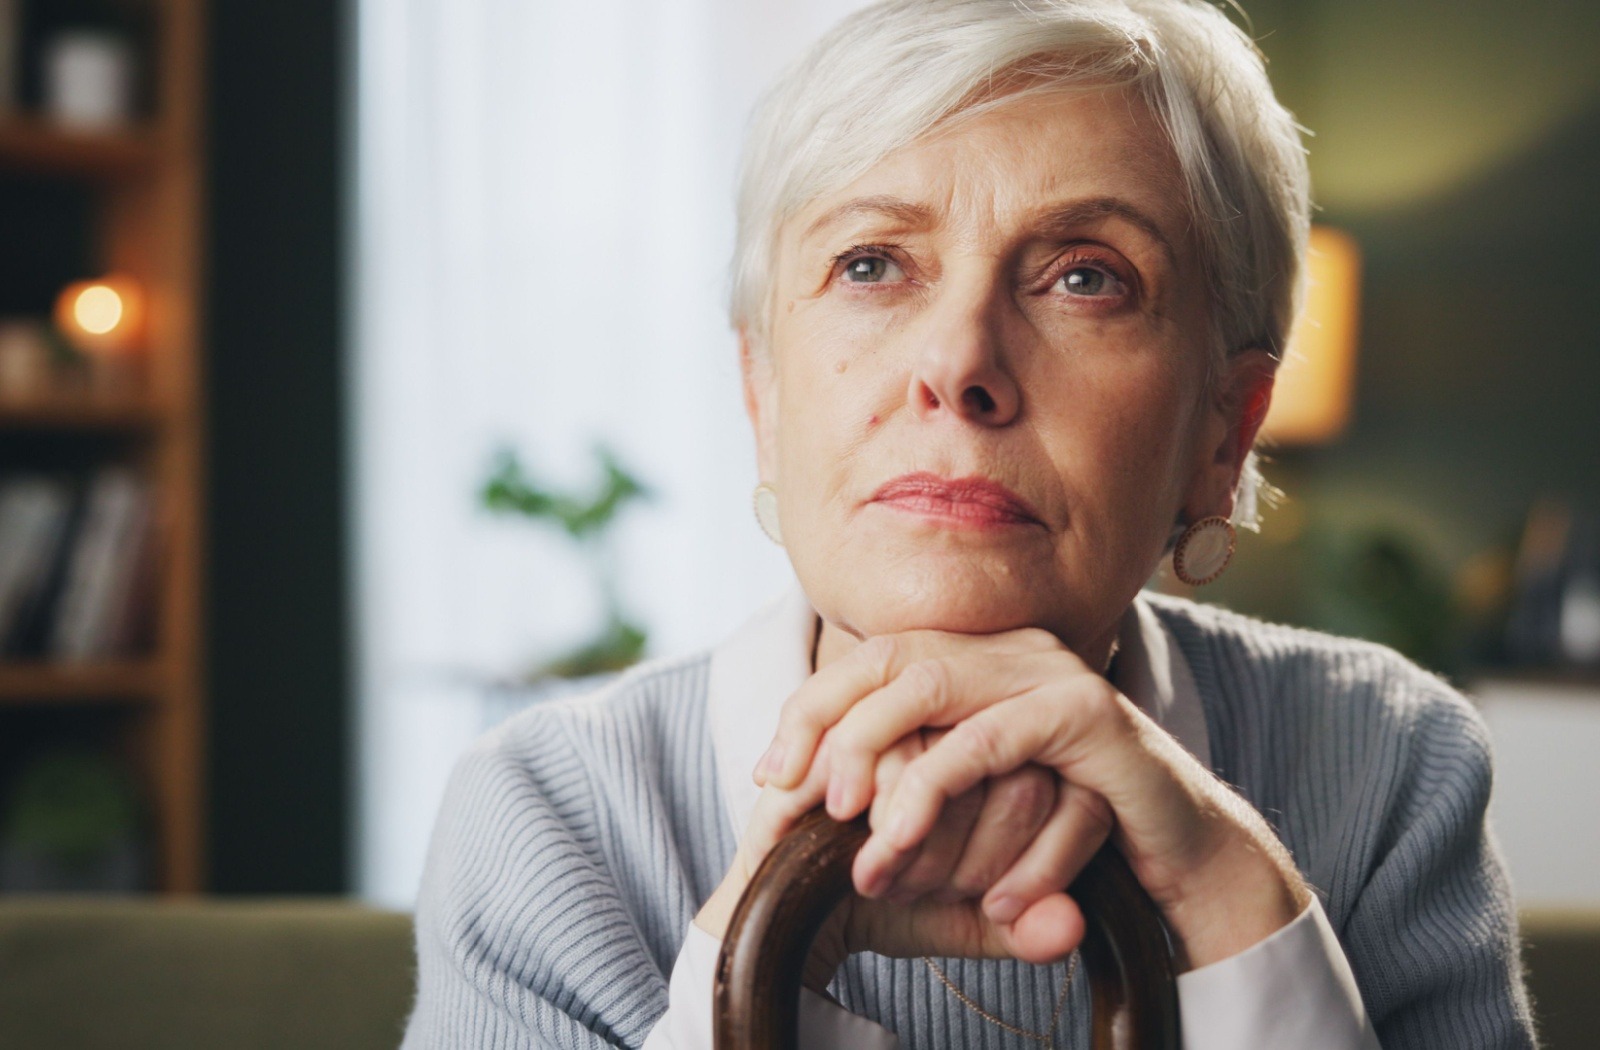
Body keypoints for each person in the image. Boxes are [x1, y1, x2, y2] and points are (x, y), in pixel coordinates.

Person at [401, 1, 1536, 1047]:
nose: (958, 365)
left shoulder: (1388, 769)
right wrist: (761, 947)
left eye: (1085, 278)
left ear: (1222, 434)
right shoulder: (549, 817)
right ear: (764, 397)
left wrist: (1240, 907)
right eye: (871, 263)